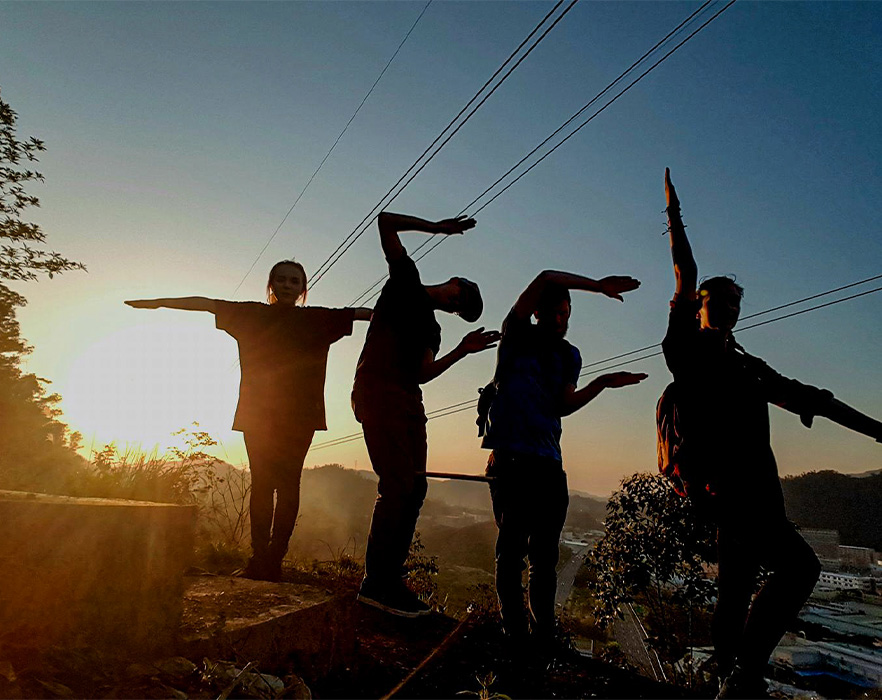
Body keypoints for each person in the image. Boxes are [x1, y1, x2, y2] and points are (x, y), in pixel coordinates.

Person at [661, 168, 881, 698]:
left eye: (737, 304)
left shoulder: (748, 367)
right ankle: (742, 676)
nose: (731, 310)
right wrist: (673, 214)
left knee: (736, 583)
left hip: (757, 494)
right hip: (729, 493)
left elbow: (814, 400)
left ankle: (723, 670)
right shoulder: (686, 352)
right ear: (700, 307)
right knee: (800, 569)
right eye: (721, 301)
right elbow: (685, 269)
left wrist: (878, 431)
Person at [126, 260, 371, 581]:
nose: (287, 285)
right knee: (262, 484)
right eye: (281, 280)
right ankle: (260, 559)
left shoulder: (318, 319)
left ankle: (273, 559)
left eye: (294, 281)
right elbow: (205, 304)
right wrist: (159, 303)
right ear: (271, 285)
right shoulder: (251, 315)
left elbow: (364, 313)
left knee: (287, 485)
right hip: (259, 413)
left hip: (300, 416)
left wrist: (418, 309)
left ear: (302, 289)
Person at [481, 269, 646, 650]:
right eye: (554, 312)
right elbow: (543, 275)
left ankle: (543, 638)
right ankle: (516, 637)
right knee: (511, 556)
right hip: (510, 461)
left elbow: (562, 405)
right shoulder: (516, 334)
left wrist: (601, 383)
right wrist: (598, 286)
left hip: (549, 465)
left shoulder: (570, 355)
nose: (561, 320)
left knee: (544, 558)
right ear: (537, 312)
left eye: (566, 313)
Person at [352, 211, 500, 618]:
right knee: (397, 485)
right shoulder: (405, 281)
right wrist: (439, 228)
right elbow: (384, 222)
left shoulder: (433, 329)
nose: (457, 304)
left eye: (461, 309)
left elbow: (422, 372)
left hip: (408, 401)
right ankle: (375, 584)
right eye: (460, 297)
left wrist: (461, 351)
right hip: (377, 394)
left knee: (415, 488)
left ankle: (389, 580)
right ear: (454, 282)